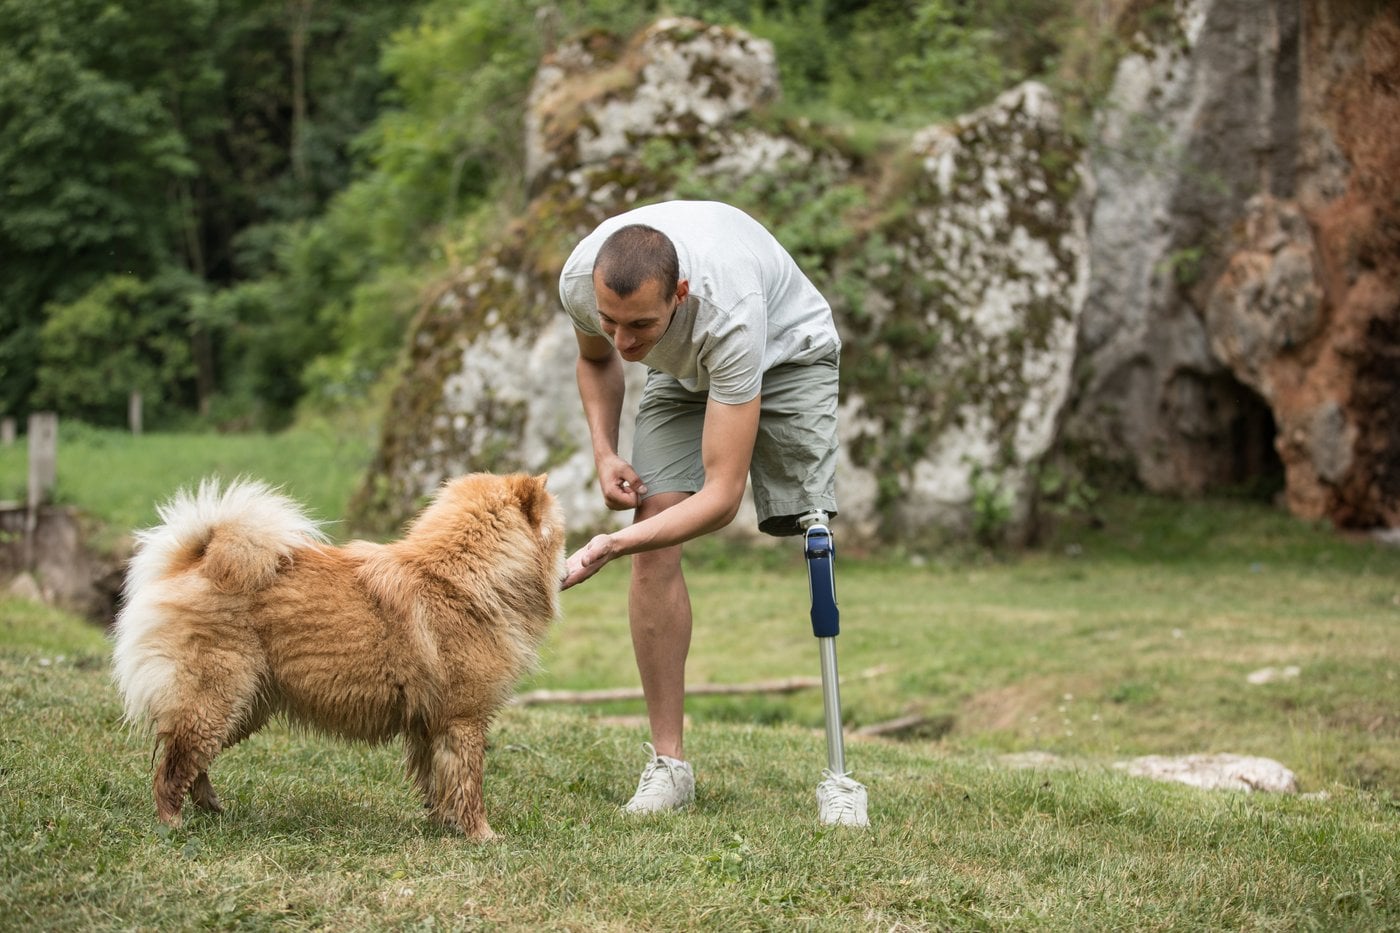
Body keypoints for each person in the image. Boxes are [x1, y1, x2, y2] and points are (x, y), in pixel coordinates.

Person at [558, 200, 863, 821]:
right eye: (611, 321)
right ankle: (669, 767)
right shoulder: (581, 281)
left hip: (787, 349)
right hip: (687, 368)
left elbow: (721, 500)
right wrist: (605, 451)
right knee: (655, 541)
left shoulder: (729, 312)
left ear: (680, 294)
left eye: (639, 324)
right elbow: (597, 360)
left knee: (812, 533)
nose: (624, 340)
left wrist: (610, 544)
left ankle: (839, 780)